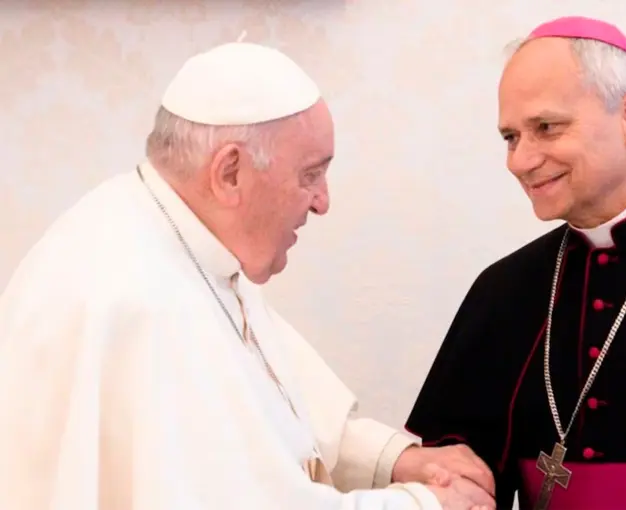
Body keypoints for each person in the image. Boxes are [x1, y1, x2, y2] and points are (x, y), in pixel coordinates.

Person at [0, 41, 496, 510]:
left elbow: (280, 402)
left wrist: (395, 461)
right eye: (310, 175)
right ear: (230, 173)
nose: (322, 202)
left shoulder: (177, 240)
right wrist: (424, 503)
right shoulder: (137, 299)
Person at [404, 15, 626, 510]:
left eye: (546, 128)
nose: (519, 161)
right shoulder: (503, 290)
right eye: (511, 137)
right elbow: (458, 477)